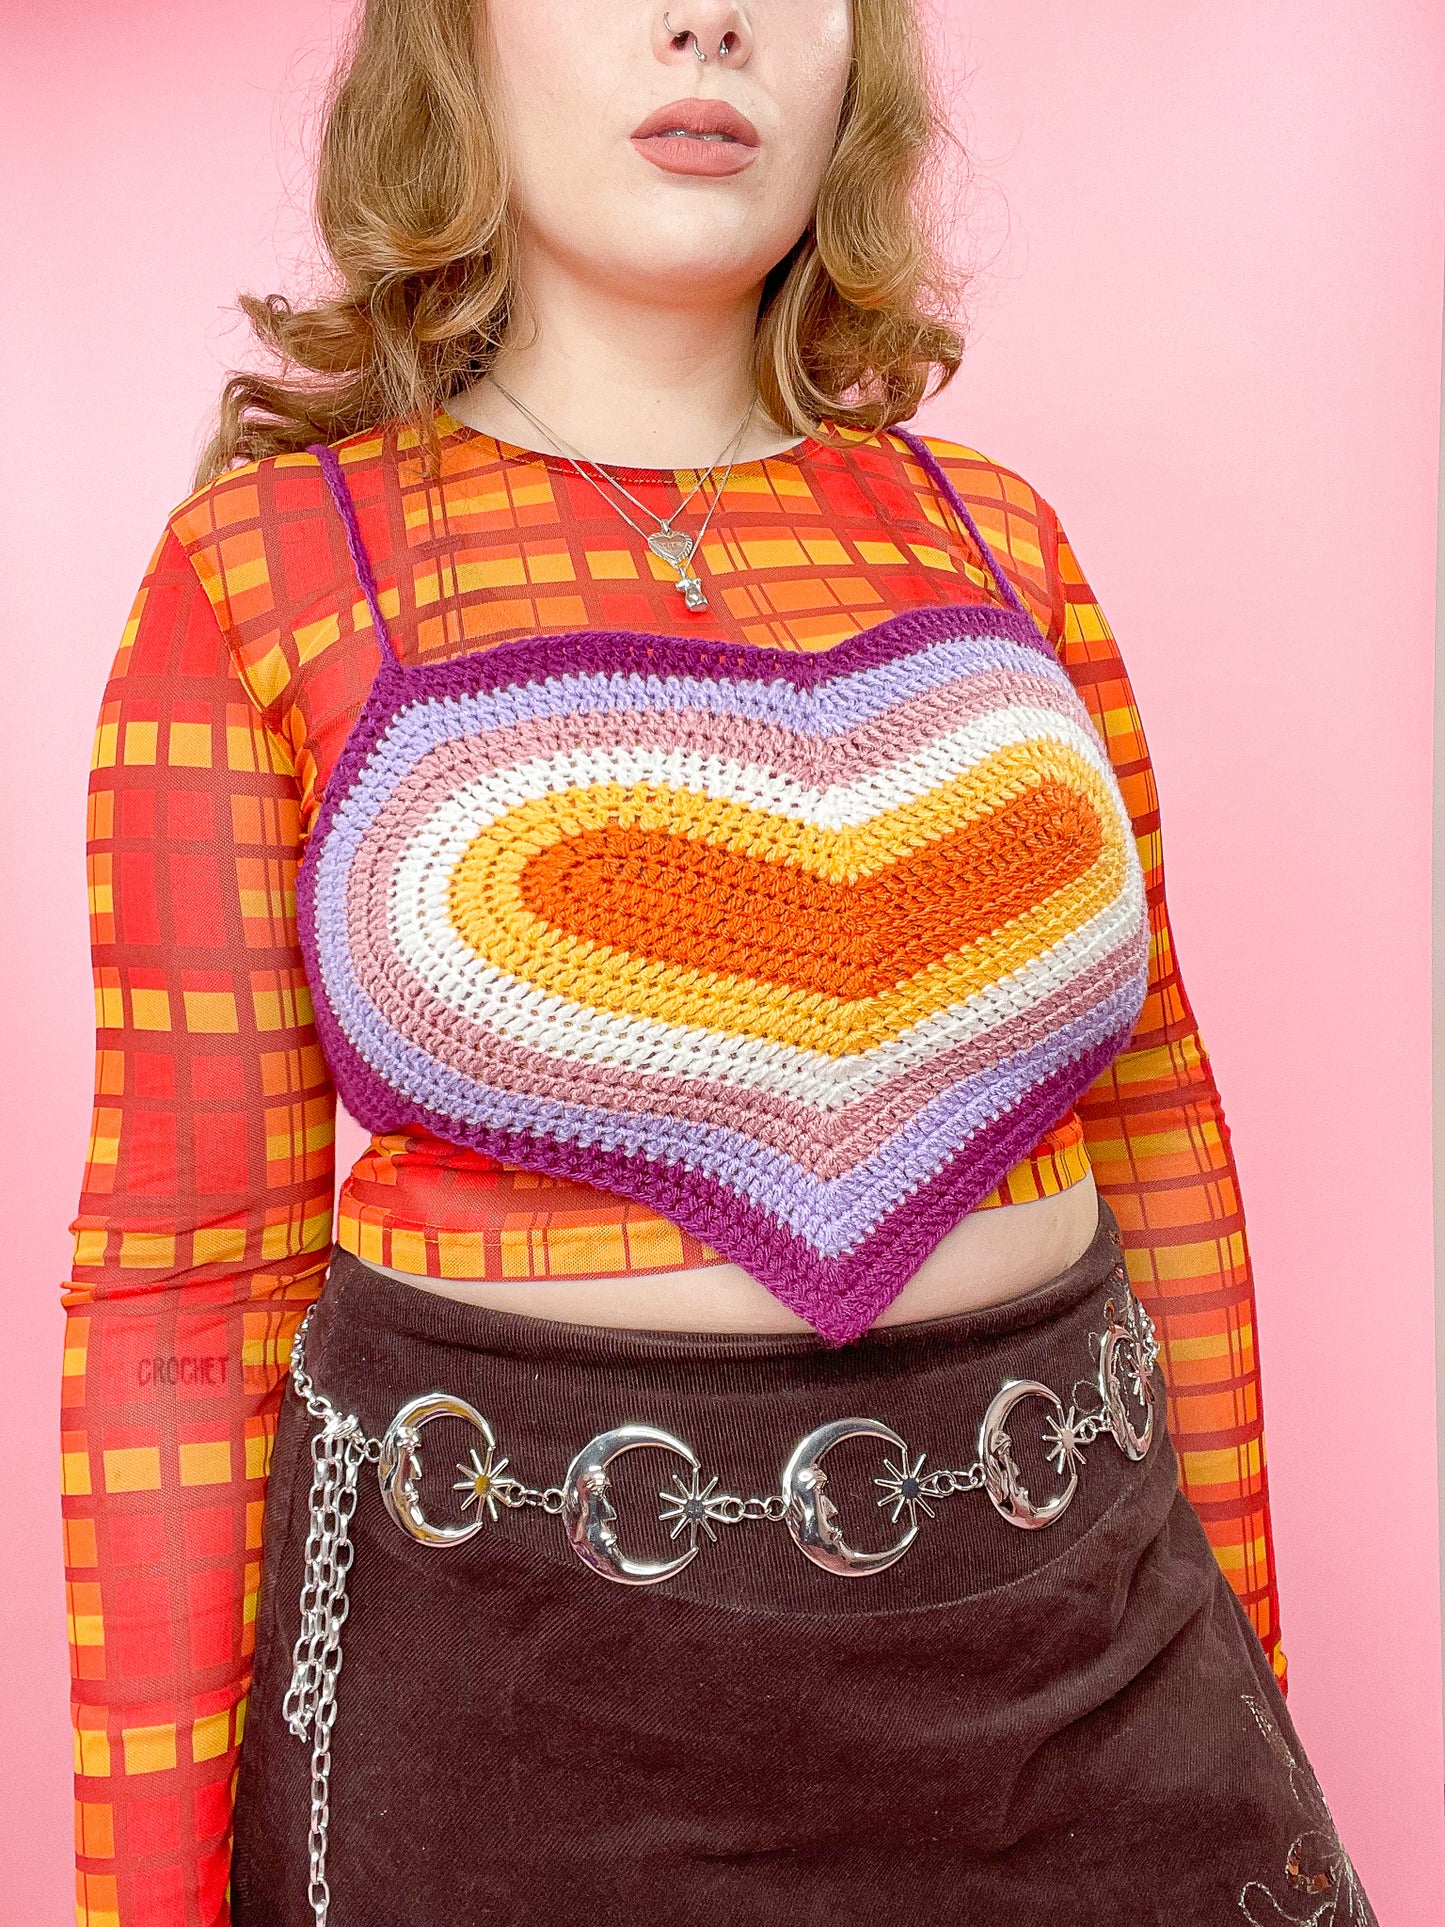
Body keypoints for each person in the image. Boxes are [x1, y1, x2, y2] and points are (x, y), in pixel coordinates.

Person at [61, 3, 1375, 1924]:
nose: (709, 18)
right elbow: (180, 1292)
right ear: (454, 51)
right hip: (514, 1739)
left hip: (1092, 1674)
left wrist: (1241, 1664)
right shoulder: (260, 569)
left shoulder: (994, 538)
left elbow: (1160, 1120)